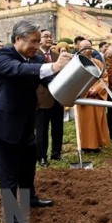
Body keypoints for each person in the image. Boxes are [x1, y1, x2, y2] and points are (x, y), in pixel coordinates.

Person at [0, 19, 72, 223]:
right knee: (8, 177)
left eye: (38, 41)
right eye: (33, 41)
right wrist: (52, 65)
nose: (37, 46)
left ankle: (31, 198)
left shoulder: (35, 59)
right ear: (18, 39)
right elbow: (19, 70)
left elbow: (51, 82)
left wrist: (74, 81)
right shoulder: (4, 57)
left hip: (27, 122)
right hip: (4, 126)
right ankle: (13, 222)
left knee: (27, 167)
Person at [35, 30, 64, 166]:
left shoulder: (58, 56)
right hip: (42, 98)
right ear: (39, 40)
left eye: (51, 36)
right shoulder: (35, 56)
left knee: (58, 127)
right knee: (42, 129)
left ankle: (56, 153)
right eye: (45, 36)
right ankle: (41, 156)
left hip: (58, 96)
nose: (49, 38)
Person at [76, 40, 110, 151]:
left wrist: (97, 89)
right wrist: (86, 90)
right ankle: (86, 145)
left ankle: (98, 143)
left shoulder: (98, 62)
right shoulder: (76, 63)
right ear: (79, 49)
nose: (88, 50)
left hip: (96, 96)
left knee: (98, 120)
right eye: (85, 47)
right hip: (84, 97)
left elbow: (105, 77)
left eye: (89, 47)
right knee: (86, 122)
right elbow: (75, 80)